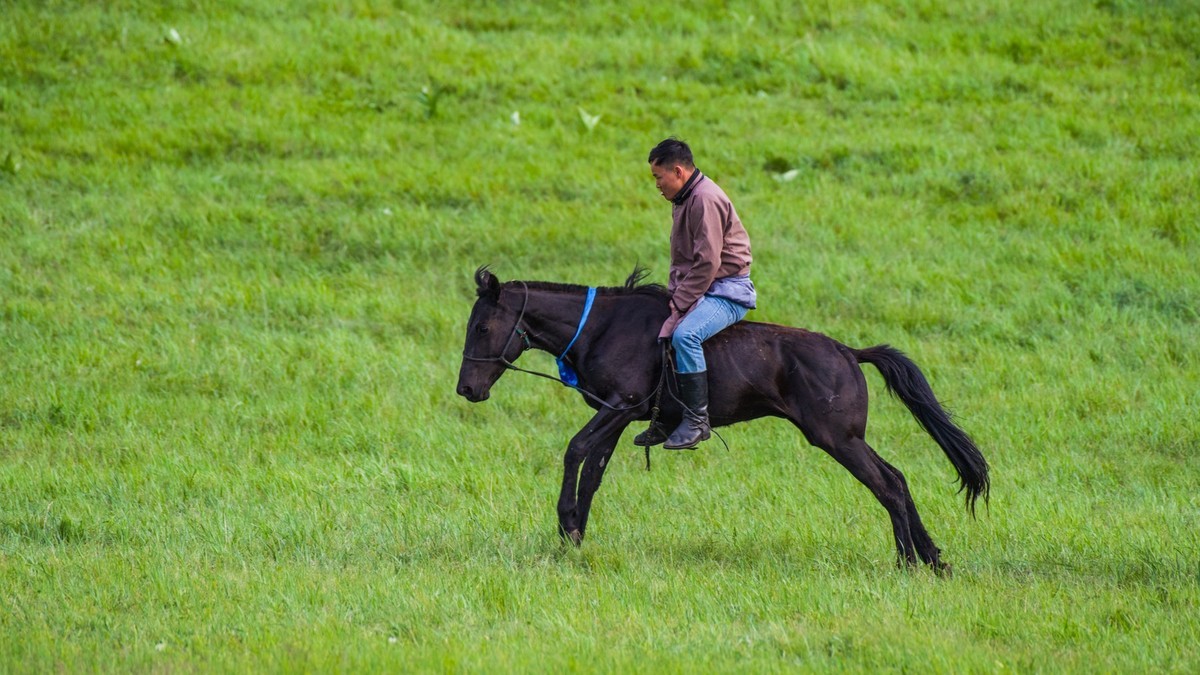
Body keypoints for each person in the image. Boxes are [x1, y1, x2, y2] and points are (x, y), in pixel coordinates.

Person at [634, 138, 756, 450]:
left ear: (677, 171)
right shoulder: (685, 198)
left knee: (685, 336)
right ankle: (667, 417)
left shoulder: (704, 200)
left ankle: (697, 420)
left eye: (658, 177)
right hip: (702, 286)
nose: (657, 185)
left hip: (727, 292)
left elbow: (708, 263)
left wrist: (679, 302)